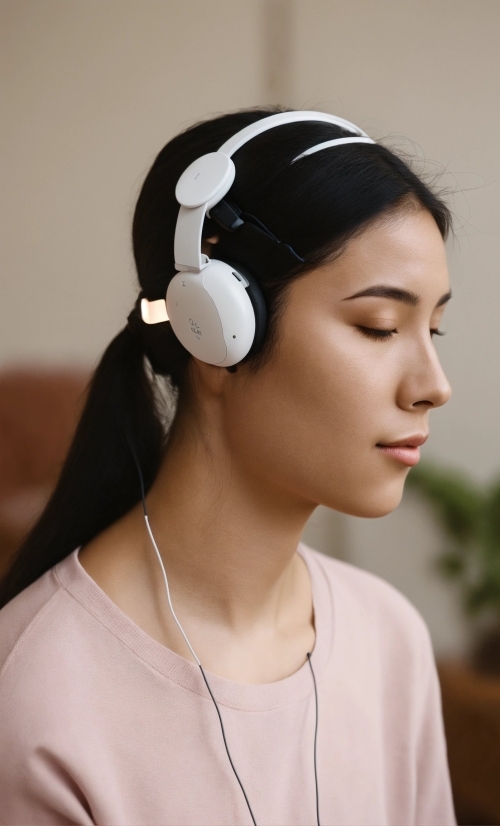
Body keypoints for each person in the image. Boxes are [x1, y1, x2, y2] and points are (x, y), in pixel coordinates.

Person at [0, 107, 456, 826]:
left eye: (433, 329)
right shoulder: (38, 696)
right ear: (215, 327)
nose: (434, 383)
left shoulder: (387, 637)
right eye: (379, 327)